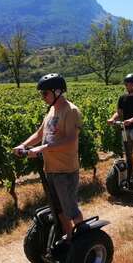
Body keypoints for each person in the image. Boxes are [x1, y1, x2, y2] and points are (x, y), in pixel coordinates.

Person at [13, 73, 83, 243]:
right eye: (41, 94)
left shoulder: (71, 111)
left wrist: (42, 148)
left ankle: (83, 241)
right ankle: (70, 239)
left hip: (65, 169)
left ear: (57, 91)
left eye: (45, 93)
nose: (42, 97)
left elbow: (70, 140)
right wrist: (23, 145)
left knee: (70, 209)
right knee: (58, 209)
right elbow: (40, 133)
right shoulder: (52, 110)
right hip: (50, 169)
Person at [107, 73, 133, 177]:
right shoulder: (122, 98)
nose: (127, 86)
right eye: (126, 83)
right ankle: (130, 177)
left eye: (129, 84)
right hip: (125, 130)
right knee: (128, 155)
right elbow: (119, 113)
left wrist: (132, 120)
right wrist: (112, 119)